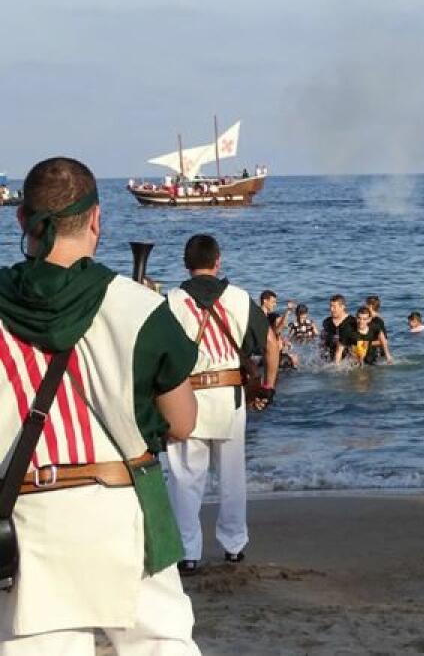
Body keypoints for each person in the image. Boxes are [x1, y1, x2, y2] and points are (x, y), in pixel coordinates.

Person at [0, 158, 202, 652]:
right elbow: (183, 422)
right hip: (123, 511)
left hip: (25, 518)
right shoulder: (138, 307)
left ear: (23, 220)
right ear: (95, 220)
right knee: (161, 645)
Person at [165, 234, 279, 576]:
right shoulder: (240, 299)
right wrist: (269, 387)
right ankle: (233, 546)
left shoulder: (170, 301)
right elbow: (271, 344)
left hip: (185, 397)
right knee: (231, 477)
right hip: (229, 398)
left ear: (186, 264)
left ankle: (188, 552)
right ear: (218, 261)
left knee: (185, 477)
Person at [321, 294, 352, 360]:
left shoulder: (352, 322)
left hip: (347, 359)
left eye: (334, 307)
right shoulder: (327, 322)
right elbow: (323, 342)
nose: (331, 309)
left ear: (342, 307)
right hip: (329, 358)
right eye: (330, 306)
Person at [364, 295, 394, 362]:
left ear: (370, 306)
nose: (364, 306)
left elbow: (384, 341)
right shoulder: (370, 319)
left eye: (365, 304)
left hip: (377, 355)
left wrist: (366, 343)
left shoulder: (377, 320)